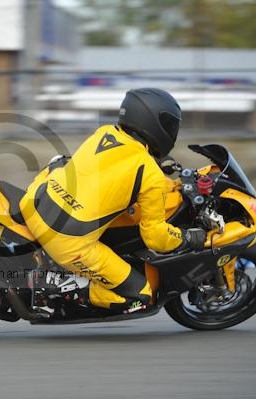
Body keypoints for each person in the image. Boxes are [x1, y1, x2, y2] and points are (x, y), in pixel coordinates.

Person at [19, 88, 207, 313]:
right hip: (67, 240)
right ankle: (56, 288)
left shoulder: (106, 134)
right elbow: (156, 238)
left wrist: (156, 162)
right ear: (154, 123)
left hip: (35, 202)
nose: (172, 131)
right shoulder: (150, 175)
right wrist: (189, 237)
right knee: (141, 298)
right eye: (170, 125)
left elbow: (118, 164)